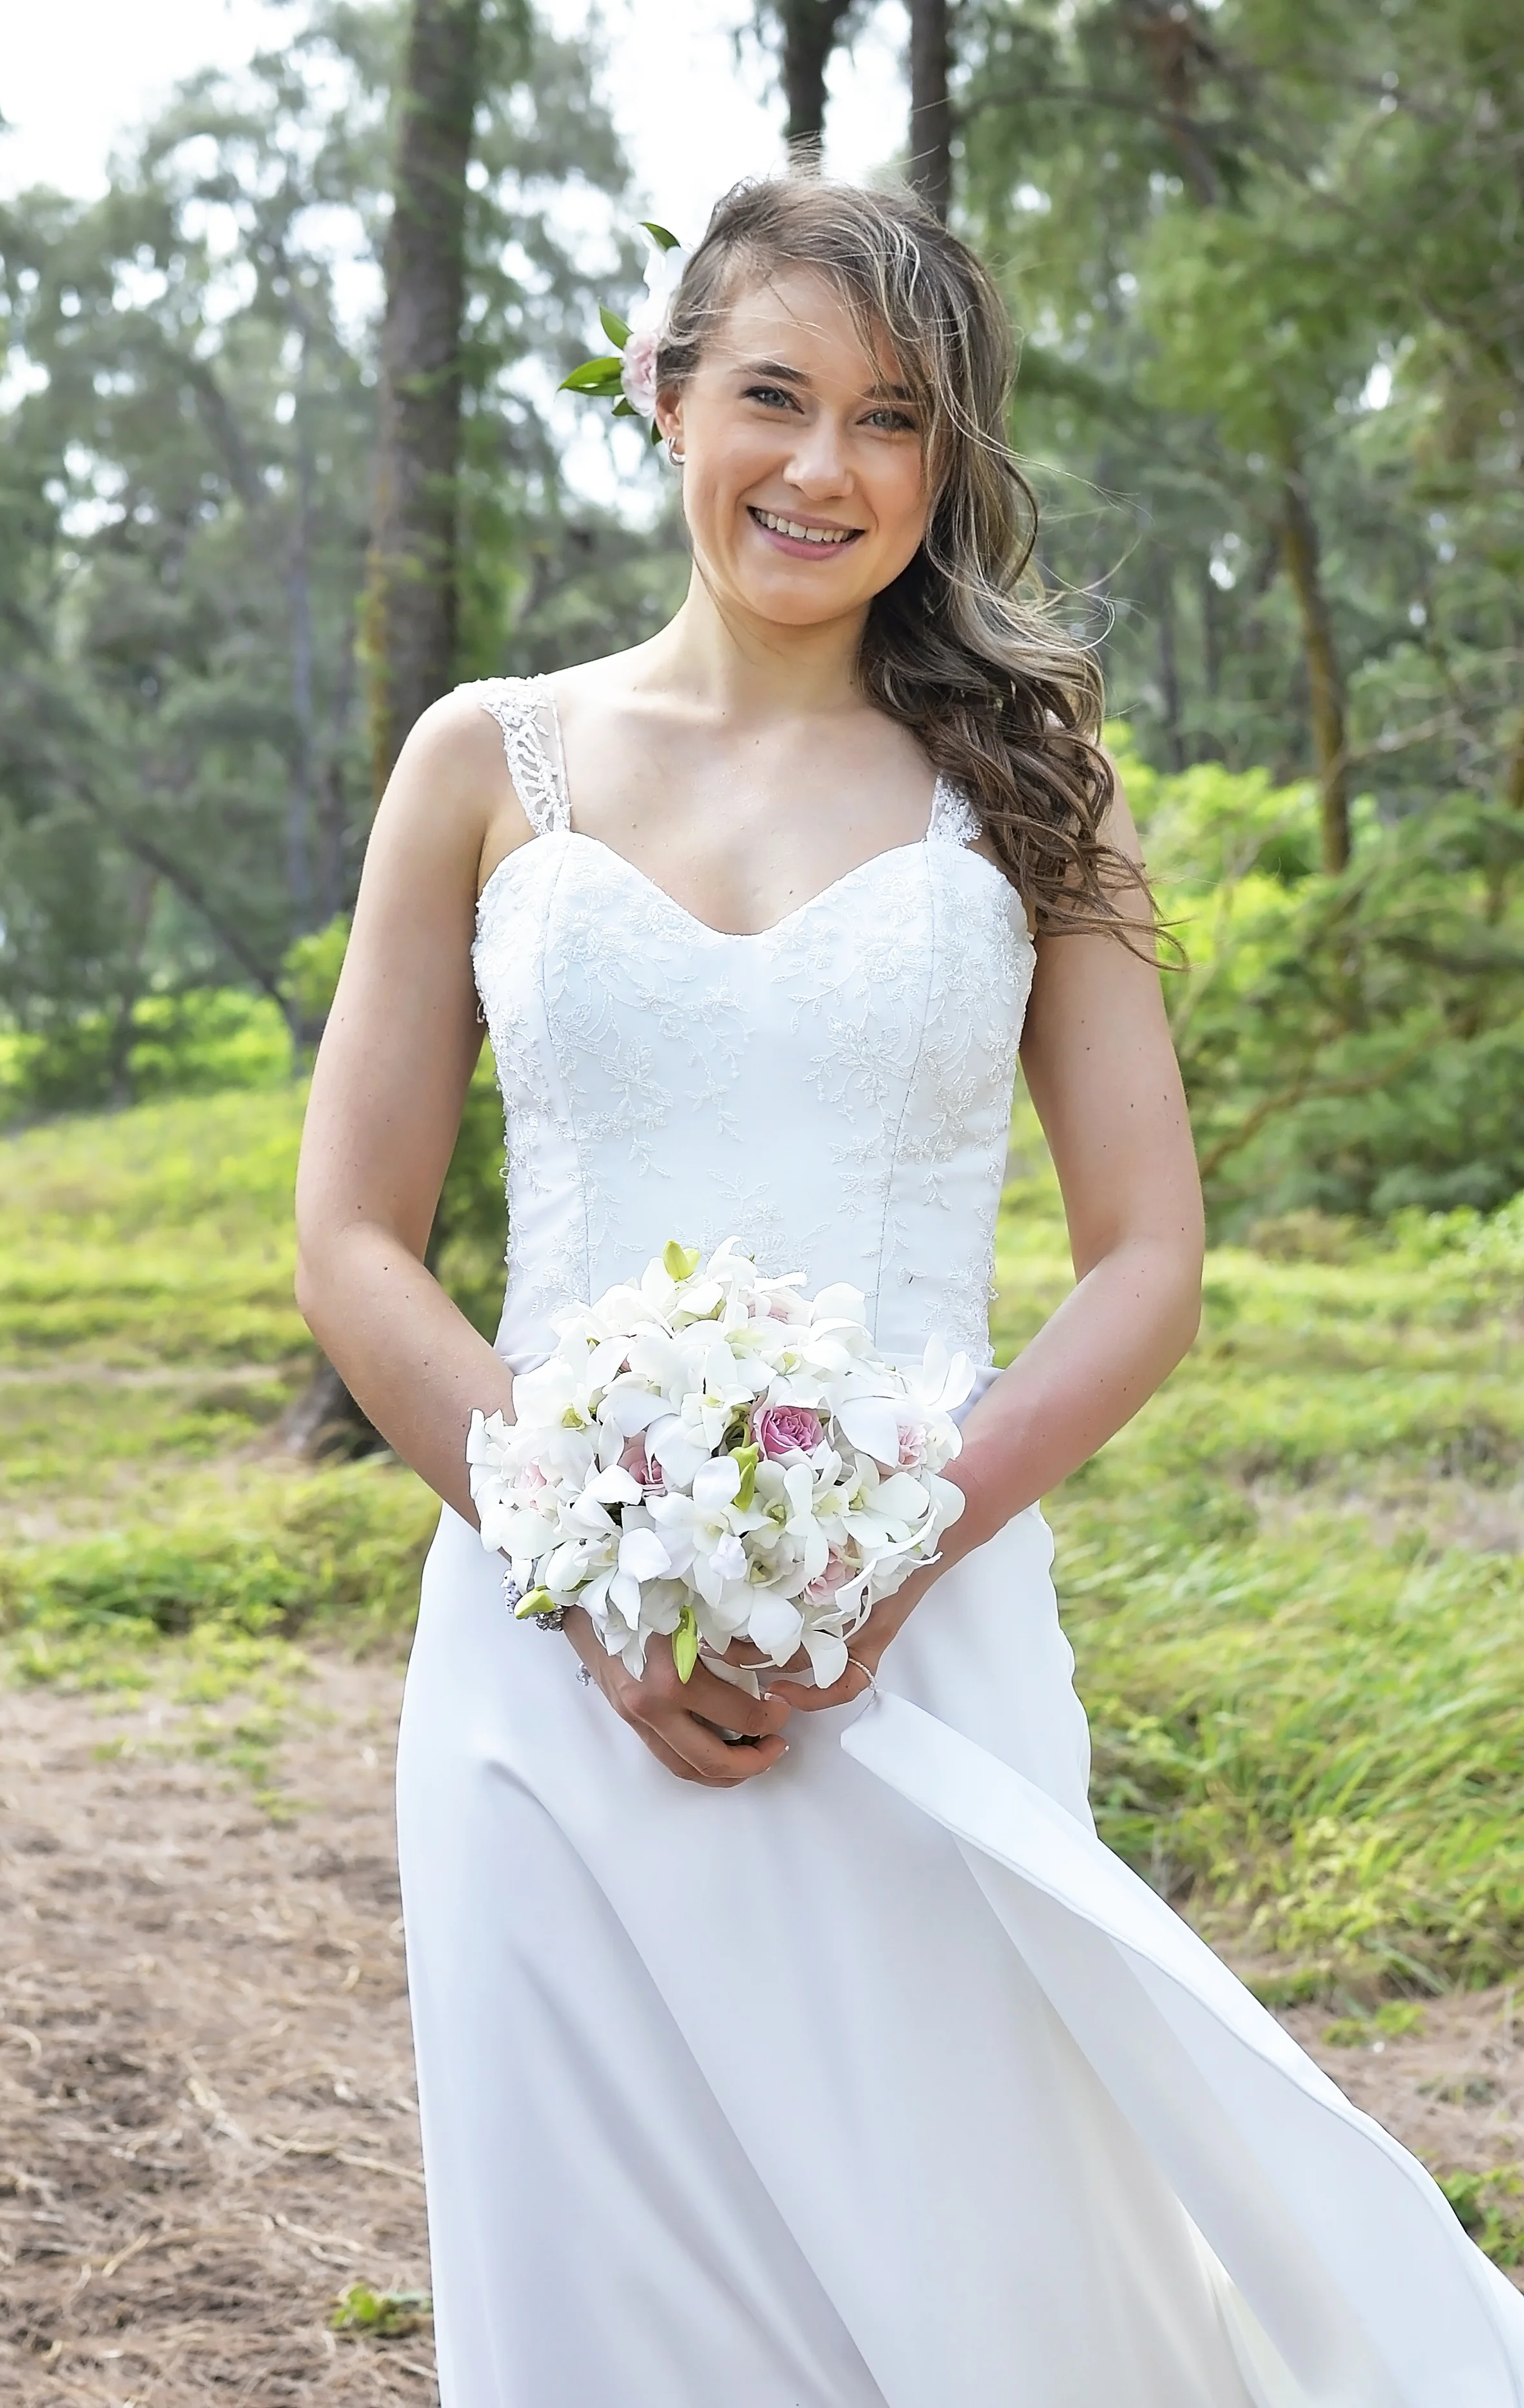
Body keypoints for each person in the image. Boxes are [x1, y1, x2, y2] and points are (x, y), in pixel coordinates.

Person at [295, 176, 1524, 2408]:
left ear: (942, 465)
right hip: (537, 1658)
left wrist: (887, 1548)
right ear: (663, 398)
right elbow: (352, 1237)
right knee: (598, 2306)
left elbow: (1145, 1250)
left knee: (982, 2279)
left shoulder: (1028, 784)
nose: (822, 468)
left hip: (919, 1630)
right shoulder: (485, 764)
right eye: (769, 395)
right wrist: (572, 1565)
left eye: (892, 419)